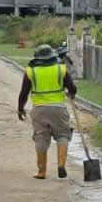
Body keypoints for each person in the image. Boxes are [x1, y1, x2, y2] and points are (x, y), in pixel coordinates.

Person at [16, 44, 79, 180]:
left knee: (41, 138)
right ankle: (61, 165)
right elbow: (72, 88)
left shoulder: (30, 72)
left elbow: (24, 93)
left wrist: (20, 108)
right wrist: (71, 93)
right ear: (52, 56)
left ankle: (41, 172)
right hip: (58, 108)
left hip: (39, 109)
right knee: (62, 135)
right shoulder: (61, 70)